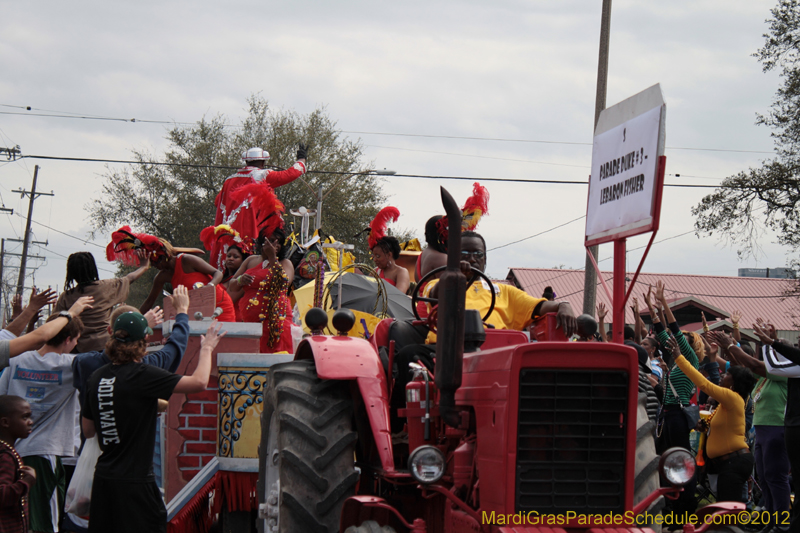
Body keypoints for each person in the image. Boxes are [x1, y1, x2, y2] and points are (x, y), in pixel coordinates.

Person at [81, 314, 225, 533]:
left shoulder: (96, 377)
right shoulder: (142, 375)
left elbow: (88, 430)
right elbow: (199, 382)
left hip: (104, 481)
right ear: (143, 343)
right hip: (135, 483)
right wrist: (206, 348)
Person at [0, 297, 92, 533]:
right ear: (69, 340)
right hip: (45, 454)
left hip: (12, 453)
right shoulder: (71, 366)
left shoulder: (15, 360)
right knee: (46, 523)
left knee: (20, 517)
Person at [710, 330, 790, 532]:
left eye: (776, 348)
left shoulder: (784, 373)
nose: (771, 351)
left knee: (776, 477)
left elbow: (753, 365)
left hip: (777, 429)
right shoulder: (765, 378)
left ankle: (783, 522)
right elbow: (742, 368)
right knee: (764, 477)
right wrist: (726, 350)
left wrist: (730, 345)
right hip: (762, 431)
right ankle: (771, 521)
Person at [666, 336, 757, 503]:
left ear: (734, 383)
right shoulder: (727, 402)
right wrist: (705, 425)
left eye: (728, 374)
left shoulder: (732, 397)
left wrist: (679, 357)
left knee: (728, 510)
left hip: (734, 462)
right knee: (725, 507)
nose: (723, 376)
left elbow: (704, 384)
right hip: (727, 463)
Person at [211, 145, 307, 270]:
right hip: (250, 231)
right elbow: (290, 174)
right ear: (263, 162)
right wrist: (302, 160)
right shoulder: (262, 175)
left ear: (246, 161)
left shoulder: (229, 180)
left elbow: (217, 201)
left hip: (228, 233)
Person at [54, 251, 150, 353]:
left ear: (71, 273)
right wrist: (143, 266)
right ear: (93, 268)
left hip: (79, 350)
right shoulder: (107, 287)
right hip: (107, 347)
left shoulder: (66, 297)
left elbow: (55, 323)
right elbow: (130, 278)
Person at [229, 227, 294, 353]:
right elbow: (232, 286)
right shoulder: (251, 260)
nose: (274, 244)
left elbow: (283, 284)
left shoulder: (285, 263)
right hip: (250, 321)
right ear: (261, 243)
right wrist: (240, 280)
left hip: (276, 320)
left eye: (278, 241)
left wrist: (272, 258)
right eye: (270, 240)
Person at [139, 239, 236, 322]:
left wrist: (209, 286)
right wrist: (135, 317)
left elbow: (217, 273)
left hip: (220, 307)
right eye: (152, 264)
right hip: (196, 312)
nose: (155, 266)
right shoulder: (162, 276)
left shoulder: (186, 260)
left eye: (156, 262)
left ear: (164, 256)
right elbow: (149, 302)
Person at [0, 395, 36, 533]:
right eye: (24, 417)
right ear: (5, 422)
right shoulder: (5, 456)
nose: (30, 422)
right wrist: (26, 482)